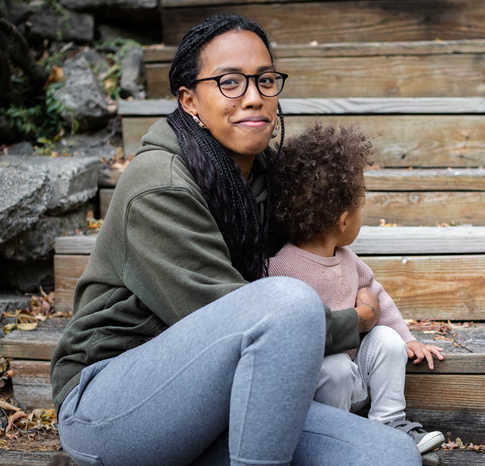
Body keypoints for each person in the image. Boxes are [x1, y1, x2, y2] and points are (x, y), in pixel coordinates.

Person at [49, 14, 422, 466]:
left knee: (390, 456)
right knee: (286, 301)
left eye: (265, 80)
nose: (253, 97)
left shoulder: (261, 172)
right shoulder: (159, 186)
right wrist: (357, 321)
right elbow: (247, 316)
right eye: (229, 82)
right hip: (112, 403)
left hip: (219, 394)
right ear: (189, 100)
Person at [267, 123, 446, 454]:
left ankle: (388, 422)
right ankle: (336, 440)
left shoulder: (348, 259)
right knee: (333, 366)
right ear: (344, 221)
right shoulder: (280, 268)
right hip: (321, 389)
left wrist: (407, 339)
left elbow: (378, 297)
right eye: (361, 206)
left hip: (358, 373)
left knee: (386, 340)